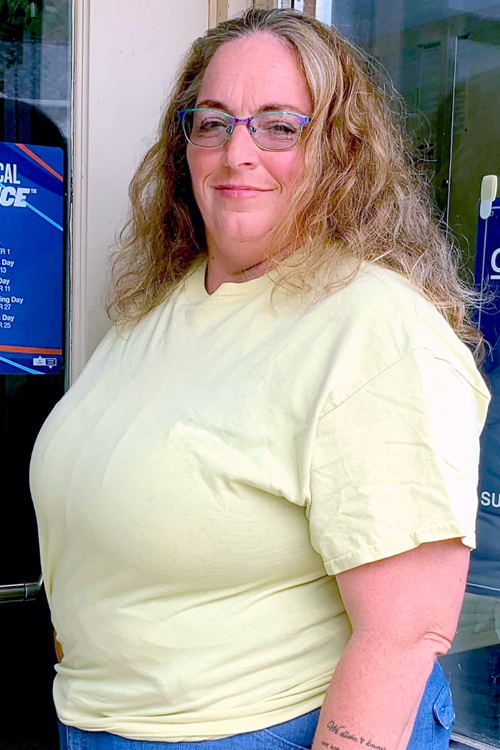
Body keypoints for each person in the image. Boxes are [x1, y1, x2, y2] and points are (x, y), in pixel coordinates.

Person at [30, 8, 490, 750]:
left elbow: (405, 635)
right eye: (213, 122)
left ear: (341, 150)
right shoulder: (164, 304)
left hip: (264, 729)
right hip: (99, 722)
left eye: (280, 125)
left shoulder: (373, 327)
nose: (237, 151)